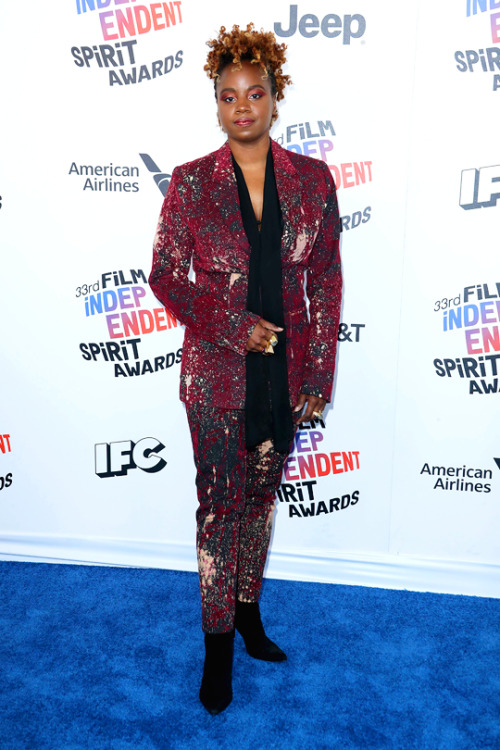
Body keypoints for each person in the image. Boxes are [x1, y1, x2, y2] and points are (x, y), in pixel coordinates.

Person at [149, 22, 342, 715]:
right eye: (229, 96)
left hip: (285, 382)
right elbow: (166, 276)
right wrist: (233, 327)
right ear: (217, 103)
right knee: (218, 511)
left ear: (274, 97)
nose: (242, 107)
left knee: (259, 502)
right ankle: (218, 646)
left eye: (255, 93)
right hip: (216, 380)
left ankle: (251, 614)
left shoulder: (313, 183)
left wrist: (317, 376)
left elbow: (326, 282)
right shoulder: (192, 184)